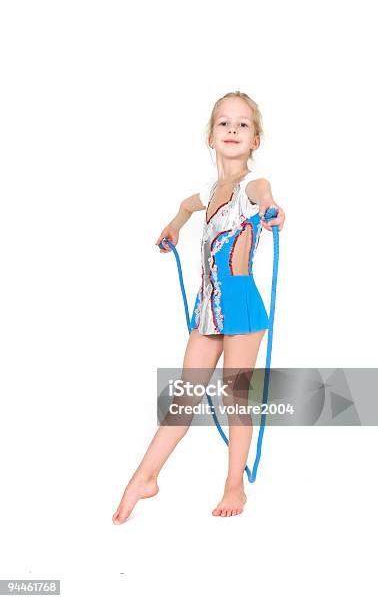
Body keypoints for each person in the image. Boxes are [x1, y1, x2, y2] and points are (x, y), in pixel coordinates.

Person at [112, 91, 286, 523]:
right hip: (208, 308)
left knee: (235, 399)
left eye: (243, 124)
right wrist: (173, 226)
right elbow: (189, 206)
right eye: (224, 123)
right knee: (183, 399)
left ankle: (234, 486)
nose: (232, 129)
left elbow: (266, 194)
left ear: (256, 139)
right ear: (210, 136)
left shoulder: (250, 187)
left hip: (242, 307)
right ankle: (144, 478)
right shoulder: (210, 191)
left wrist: (271, 209)